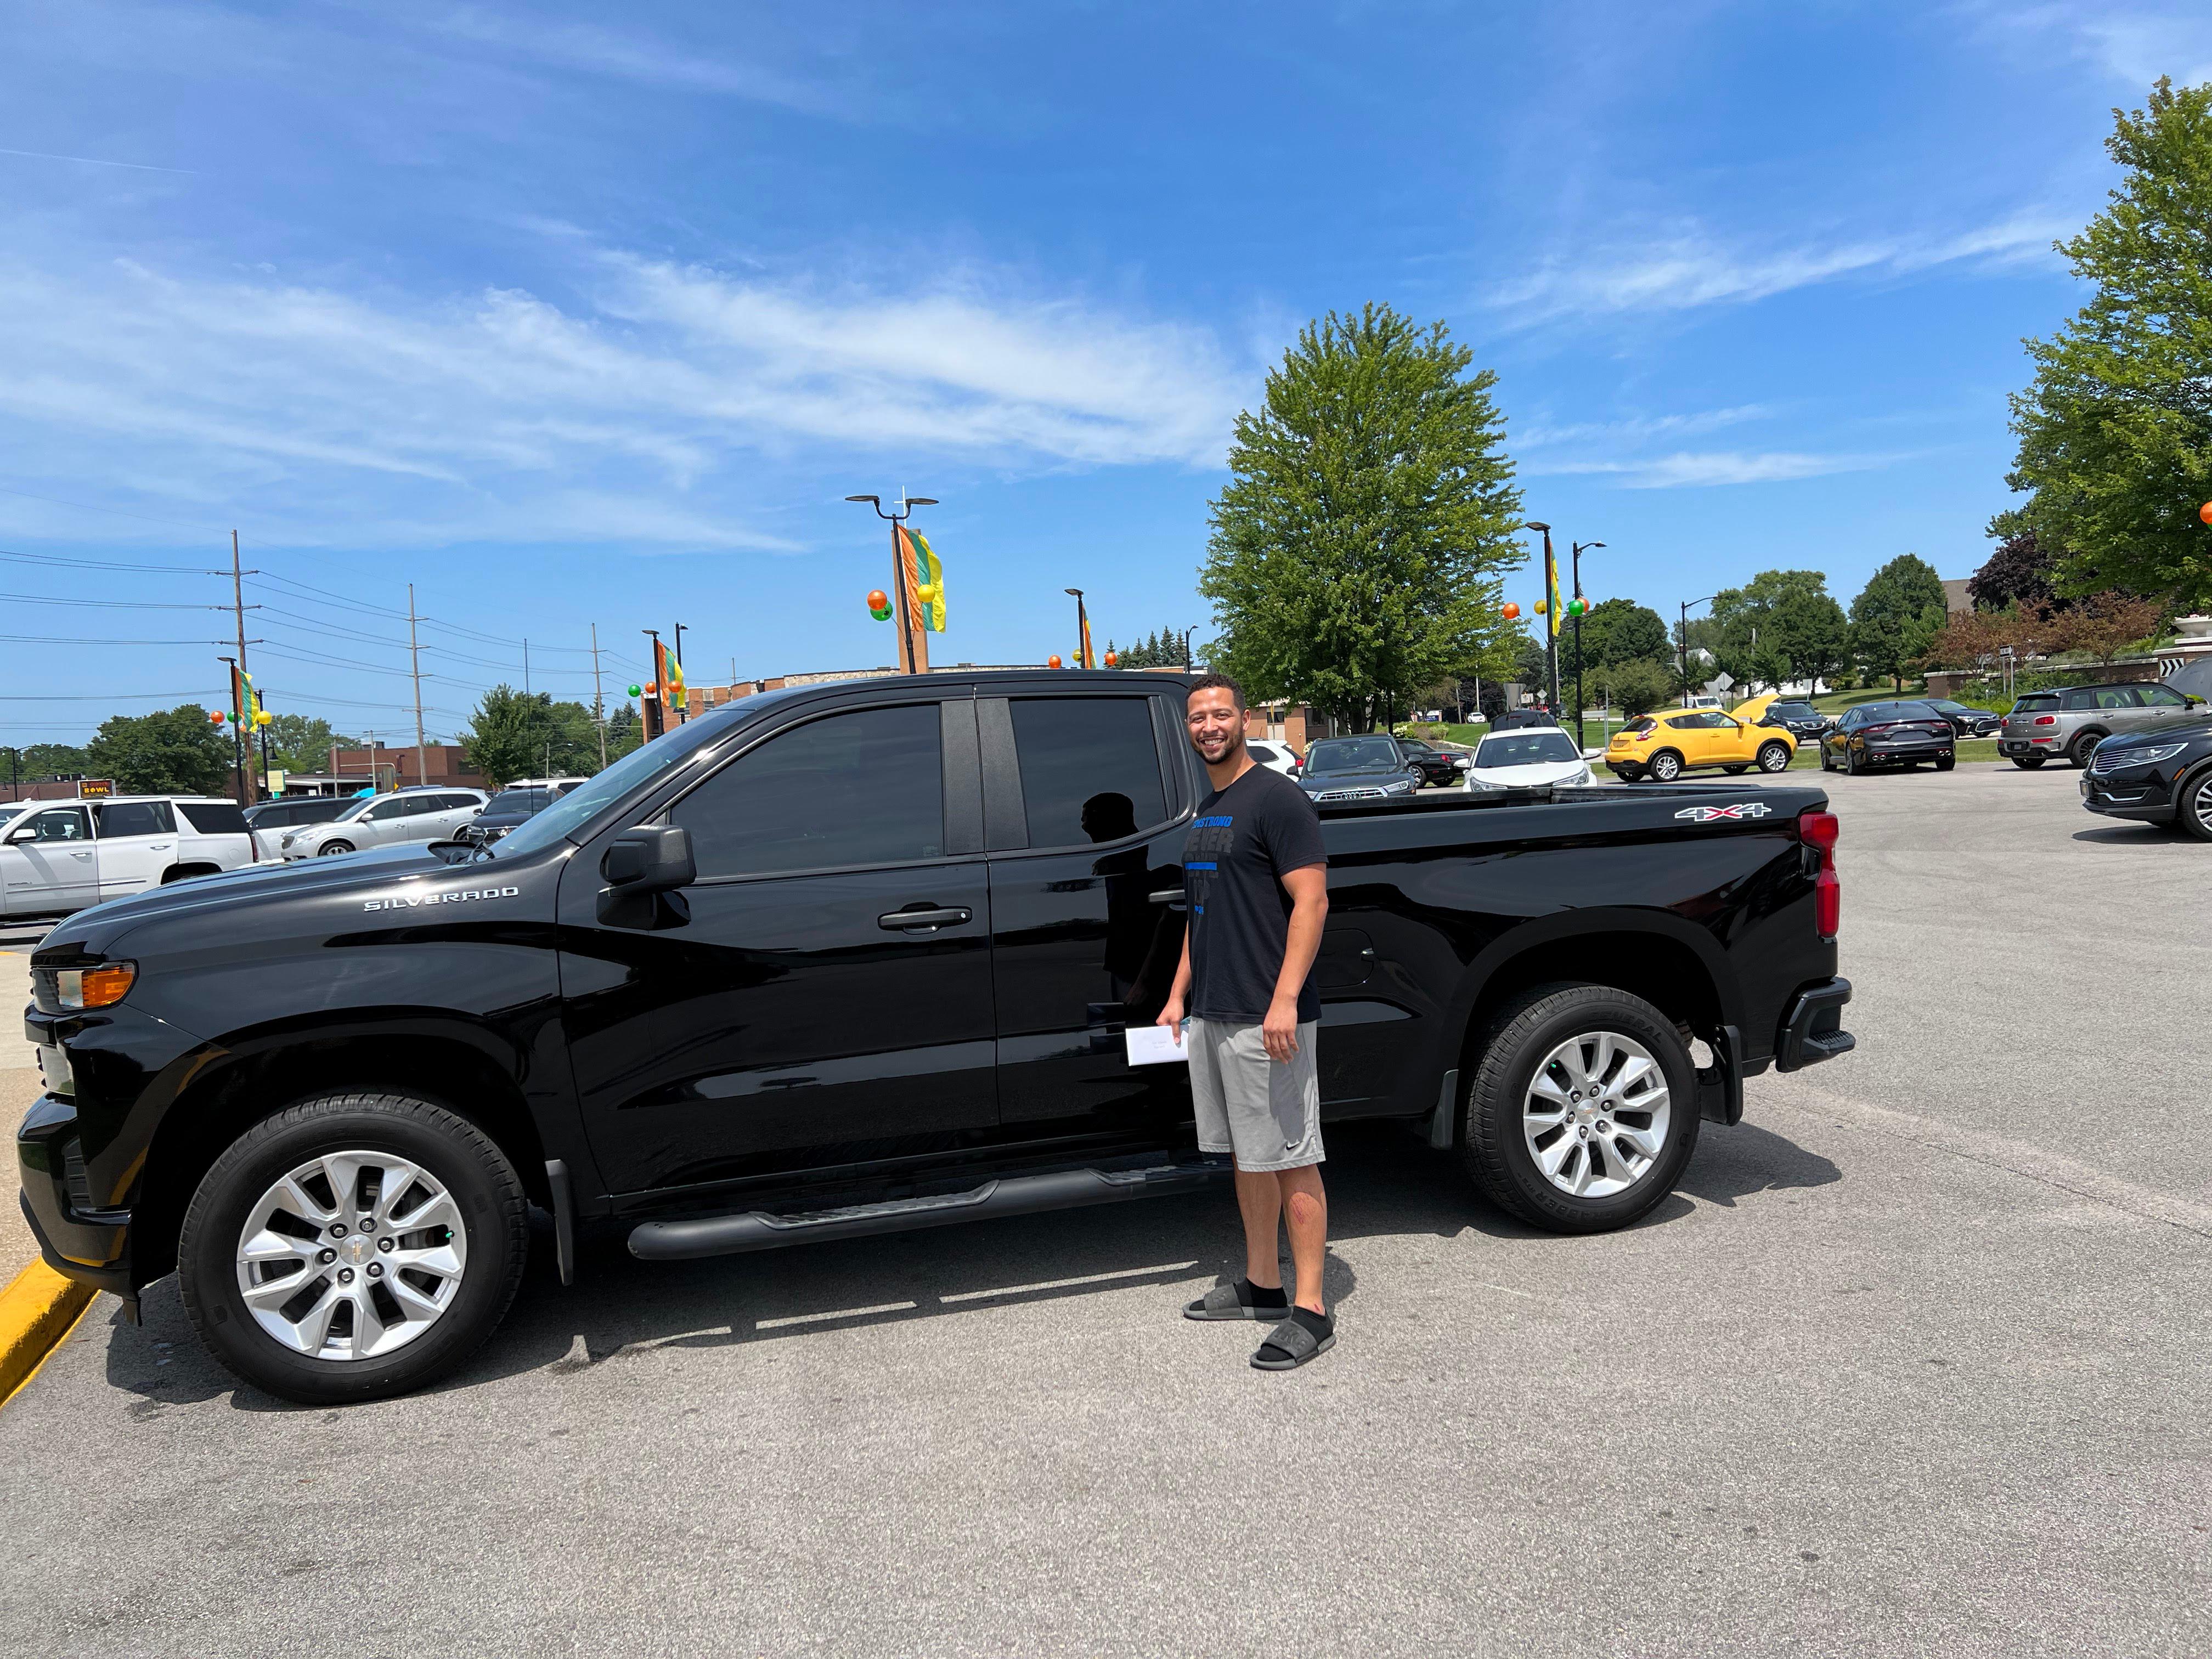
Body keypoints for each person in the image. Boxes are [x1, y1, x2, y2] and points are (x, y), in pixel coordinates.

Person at [1157, 673, 1335, 1370]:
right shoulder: (1210, 809)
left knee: (1292, 1157)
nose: (1209, 726)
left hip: (1268, 1017)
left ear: (1246, 719)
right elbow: (1200, 913)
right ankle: (1263, 1285)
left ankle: (1311, 1310)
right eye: (1198, 717)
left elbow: (1312, 903)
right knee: (1247, 1155)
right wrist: (1179, 993)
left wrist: (1285, 999)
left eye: (1221, 714)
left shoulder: (1277, 798)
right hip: (1215, 1010)